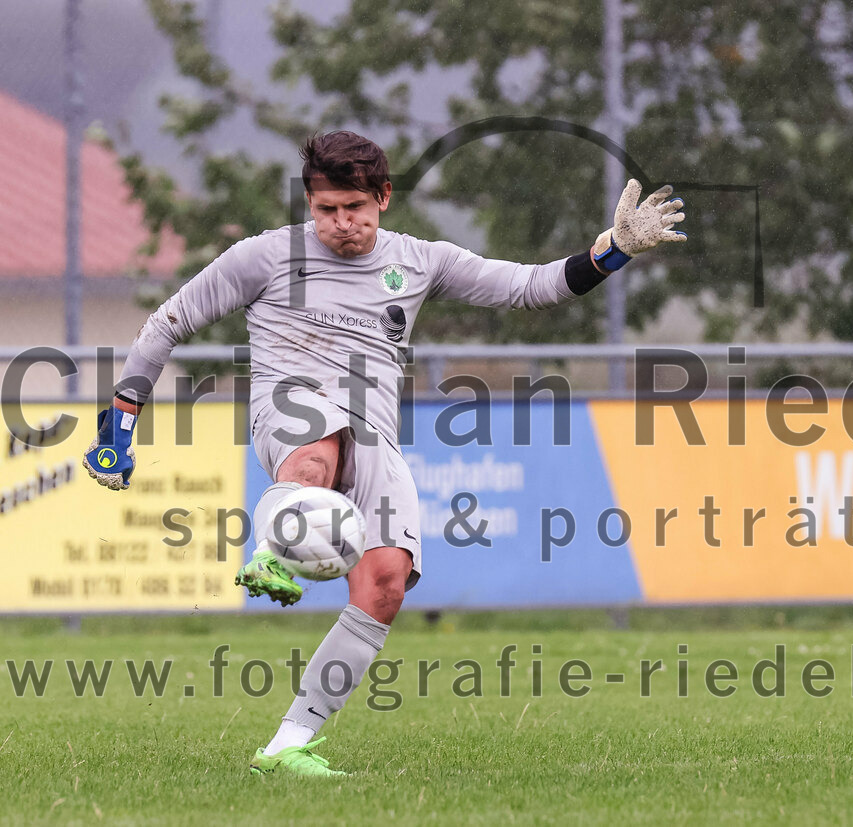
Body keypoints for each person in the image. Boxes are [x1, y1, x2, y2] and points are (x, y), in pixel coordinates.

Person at [82, 131, 686, 776]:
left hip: (376, 432)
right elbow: (169, 321)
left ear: (384, 198)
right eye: (326, 210)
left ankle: (287, 745)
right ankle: (271, 548)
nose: (341, 224)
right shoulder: (263, 257)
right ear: (310, 205)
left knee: (386, 584)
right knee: (318, 448)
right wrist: (122, 416)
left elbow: (533, 288)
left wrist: (613, 250)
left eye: (355, 210)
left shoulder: (421, 261)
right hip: (292, 405)